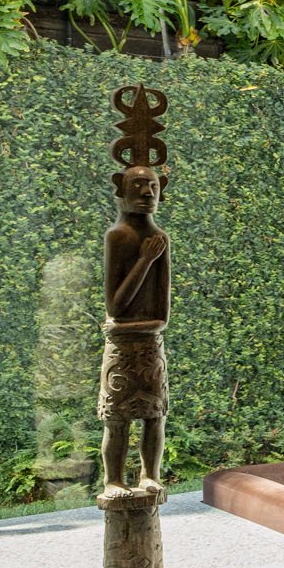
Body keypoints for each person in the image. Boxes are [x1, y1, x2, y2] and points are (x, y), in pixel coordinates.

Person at [98, 163, 169, 502]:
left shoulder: (159, 240)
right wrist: (144, 260)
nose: (146, 193)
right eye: (138, 185)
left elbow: (160, 317)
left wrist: (126, 325)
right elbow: (116, 304)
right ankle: (113, 478)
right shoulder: (119, 237)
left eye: (153, 186)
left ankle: (150, 475)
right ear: (120, 189)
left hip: (146, 345)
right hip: (123, 349)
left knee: (154, 415)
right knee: (117, 418)